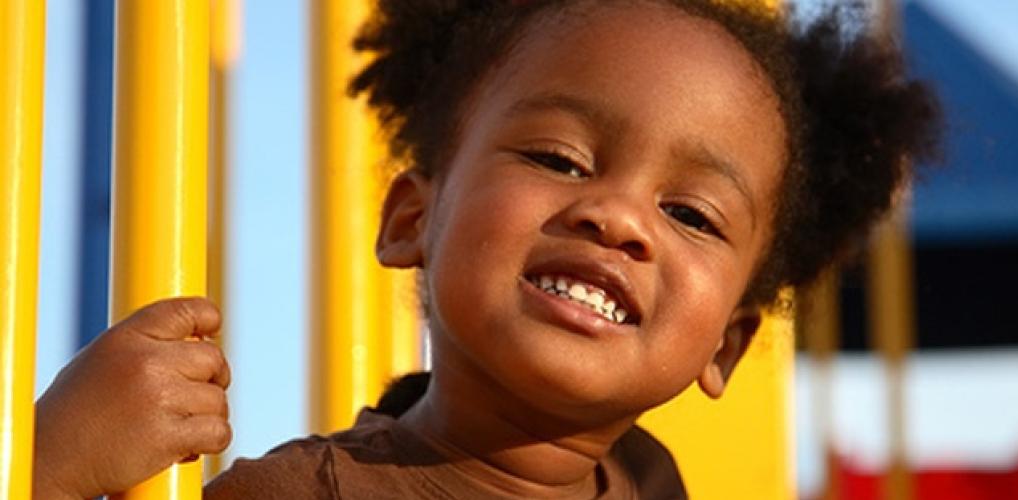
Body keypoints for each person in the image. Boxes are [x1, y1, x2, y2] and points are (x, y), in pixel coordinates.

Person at [33, 0, 940, 498]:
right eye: (557, 158)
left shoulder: (653, 485)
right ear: (410, 221)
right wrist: (44, 472)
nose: (618, 218)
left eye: (692, 214)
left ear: (725, 346)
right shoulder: (304, 499)